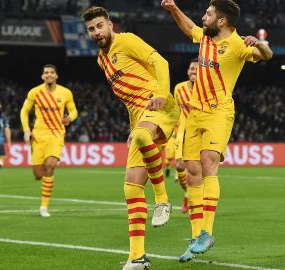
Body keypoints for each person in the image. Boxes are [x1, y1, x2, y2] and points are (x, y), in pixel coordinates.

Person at [162, 0, 273, 262]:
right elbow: (189, 27)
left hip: (218, 113)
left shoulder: (237, 44)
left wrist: (259, 43)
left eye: (208, 14)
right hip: (194, 113)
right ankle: (195, 236)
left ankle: (207, 233)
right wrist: (173, 9)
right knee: (191, 172)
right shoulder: (205, 38)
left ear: (221, 21)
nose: (203, 17)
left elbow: (267, 56)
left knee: (208, 163)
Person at [83, 6, 180, 269]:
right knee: (131, 186)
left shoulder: (126, 40)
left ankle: (162, 199)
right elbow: (129, 100)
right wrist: (134, 126)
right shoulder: (102, 61)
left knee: (141, 138)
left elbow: (161, 62)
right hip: (140, 118)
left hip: (161, 105)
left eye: (100, 26)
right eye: (91, 29)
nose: (96, 32)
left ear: (110, 25)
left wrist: (162, 93)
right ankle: (137, 257)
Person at [20, 64, 78, 218]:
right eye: (46, 73)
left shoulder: (65, 93)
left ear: (56, 76)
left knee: (50, 165)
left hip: (56, 135)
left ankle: (44, 206)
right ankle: (43, 187)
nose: (49, 75)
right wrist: (26, 129)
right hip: (38, 137)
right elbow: (24, 111)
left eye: (52, 72)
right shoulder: (35, 92)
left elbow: (73, 110)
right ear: (42, 76)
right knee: (38, 174)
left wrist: (70, 118)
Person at [173, 58, 198, 214]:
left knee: (198, 172)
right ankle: (187, 194)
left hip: (200, 134)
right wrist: (174, 129)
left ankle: (196, 204)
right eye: (191, 68)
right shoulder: (179, 88)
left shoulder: (207, 88)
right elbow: (176, 110)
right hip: (182, 133)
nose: (193, 71)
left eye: (196, 69)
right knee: (180, 166)